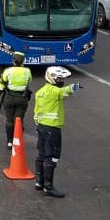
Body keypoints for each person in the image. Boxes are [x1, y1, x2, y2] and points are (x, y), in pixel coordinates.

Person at [34, 66, 80, 198]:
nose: (61, 81)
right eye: (59, 78)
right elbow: (65, 91)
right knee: (52, 156)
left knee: (41, 154)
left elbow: (36, 110)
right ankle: (48, 187)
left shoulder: (40, 92)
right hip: (52, 128)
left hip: (41, 126)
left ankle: (39, 182)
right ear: (51, 78)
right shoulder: (54, 91)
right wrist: (74, 87)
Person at [0, 51, 33, 149]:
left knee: (9, 120)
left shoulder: (8, 71)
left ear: (13, 61)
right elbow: (29, 81)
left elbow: (1, 86)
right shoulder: (27, 71)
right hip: (22, 99)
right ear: (23, 61)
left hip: (9, 98)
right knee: (18, 120)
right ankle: (18, 138)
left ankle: (10, 141)